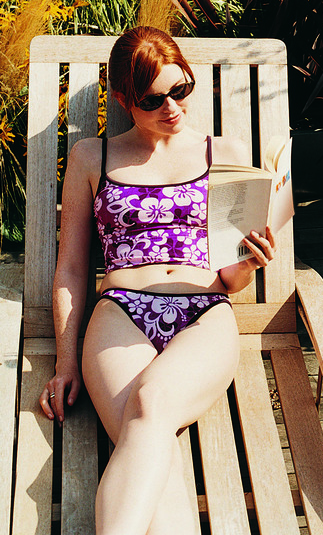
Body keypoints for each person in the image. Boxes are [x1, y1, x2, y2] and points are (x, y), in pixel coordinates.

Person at [39, 26, 275, 535]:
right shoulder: (91, 157)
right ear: (125, 100)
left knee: (149, 406)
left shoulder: (224, 154)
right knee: (148, 433)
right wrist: (64, 361)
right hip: (121, 308)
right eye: (153, 99)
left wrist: (250, 264)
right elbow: (73, 268)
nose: (172, 107)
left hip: (204, 307)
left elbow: (228, 277)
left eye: (180, 89)